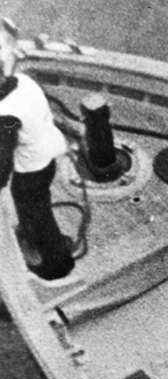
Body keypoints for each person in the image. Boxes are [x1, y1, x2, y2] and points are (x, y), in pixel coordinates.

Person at [0, 18, 74, 281]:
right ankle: (43, 237)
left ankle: (55, 265)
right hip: (48, 153)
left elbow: (2, 165)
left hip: (30, 169)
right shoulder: (23, 81)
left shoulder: (5, 115)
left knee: (35, 209)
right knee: (38, 204)